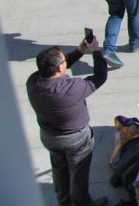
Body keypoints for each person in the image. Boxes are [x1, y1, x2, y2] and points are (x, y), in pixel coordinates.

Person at [26, 37, 109, 206]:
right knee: (78, 174)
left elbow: (54, 69)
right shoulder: (71, 88)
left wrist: (79, 51)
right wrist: (96, 51)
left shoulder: (33, 82)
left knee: (59, 171)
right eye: (64, 61)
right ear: (60, 67)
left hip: (50, 137)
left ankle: (63, 202)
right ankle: (82, 204)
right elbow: (100, 76)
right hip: (76, 140)